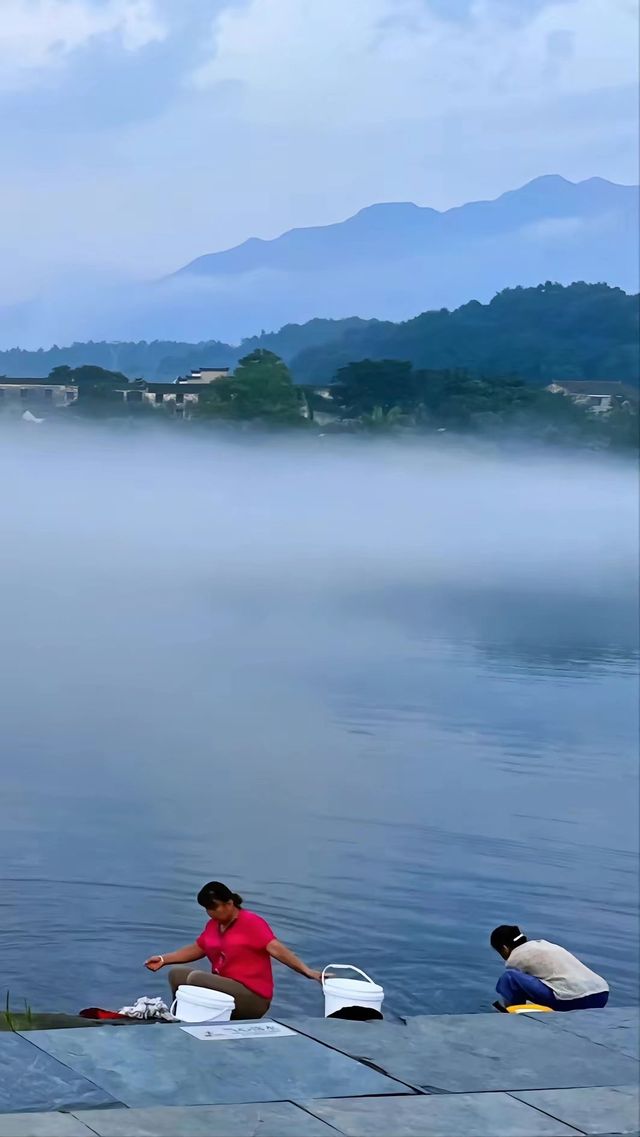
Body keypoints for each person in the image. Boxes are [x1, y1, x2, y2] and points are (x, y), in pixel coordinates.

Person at [144, 880, 323, 1020]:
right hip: (225, 990)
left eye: (214, 907)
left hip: (252, 997)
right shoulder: (213, 925)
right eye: (207, 909)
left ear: (229, 903)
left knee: (195, 978)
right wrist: (163, 959)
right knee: (176, 975)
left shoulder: (252, 923)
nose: (211, 913)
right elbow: (198, 948)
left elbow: (276, 949)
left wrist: (307, 971)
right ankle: (180, 1018)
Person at [490, 925, 609, 1011]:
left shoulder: (516, 957)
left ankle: (512, 1012)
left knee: (509, 977)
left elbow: (516, 986)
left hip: (575, 1001)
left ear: (505, 948)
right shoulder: (545, 945)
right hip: (601, 995)